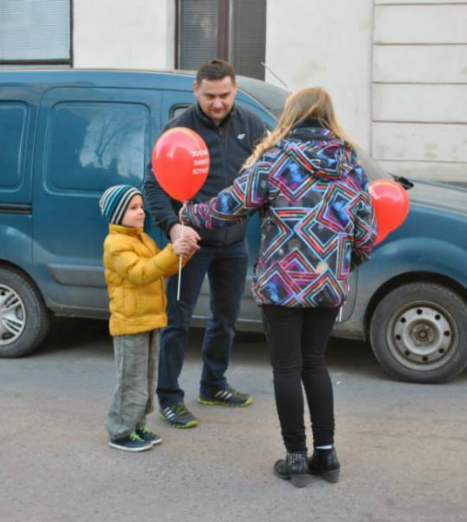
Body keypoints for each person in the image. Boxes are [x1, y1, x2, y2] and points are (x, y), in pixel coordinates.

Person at [181, 87, 377, 486]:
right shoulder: (350, 165)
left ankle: (295, 459)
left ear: (291, 116)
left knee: (287, 367)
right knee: (316, 364)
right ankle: (328, 457)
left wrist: (189, 210)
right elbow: (367, 233)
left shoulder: (276, 160)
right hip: (326, 284)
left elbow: (228, 208)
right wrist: (338, 266)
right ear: (329, 117)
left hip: (281, 284)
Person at [144, 59, 267, 428]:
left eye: (225, 95)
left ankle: (213, 385)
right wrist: (172, 228)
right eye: (210, 95)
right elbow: (154, 185)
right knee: (176, 322)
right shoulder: (178, 130)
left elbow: (265, 178)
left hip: (234, 242)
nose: (217, 103)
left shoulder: (252, 125)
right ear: (195, 90)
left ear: (235, 91)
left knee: (225, 319)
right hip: (189, 243)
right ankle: (168, 397)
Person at [100, 185, 198, 452]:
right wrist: (171, 251)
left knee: (146, 379)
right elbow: (141, 272)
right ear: (117, 213)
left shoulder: (143, 239)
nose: (141, 212)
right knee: (131, 381)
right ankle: (120, 432)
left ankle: (137, 425)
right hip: (130, 323)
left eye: (141, 206)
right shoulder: (116, 245)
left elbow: (160, 269)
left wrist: (184, 253)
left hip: (151, 319)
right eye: (133, 208)